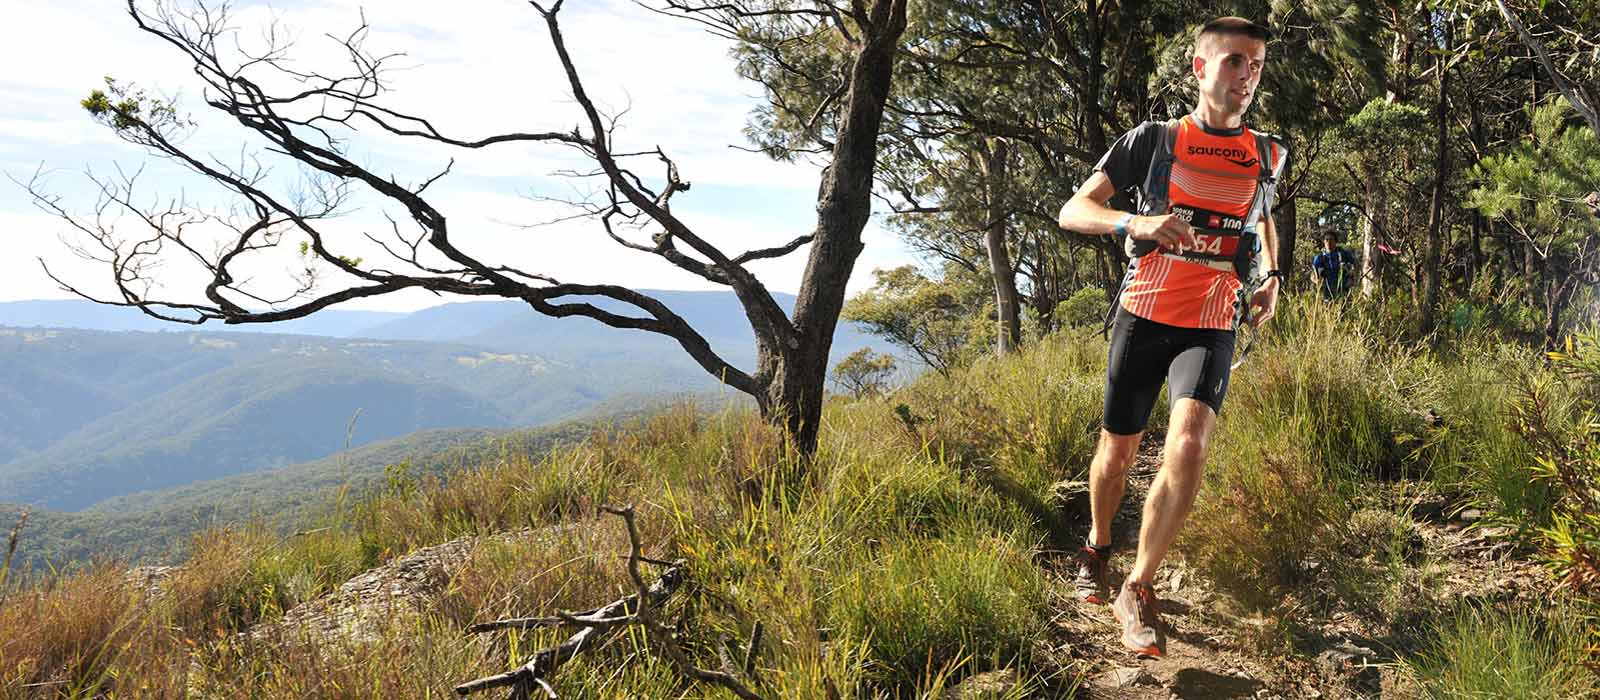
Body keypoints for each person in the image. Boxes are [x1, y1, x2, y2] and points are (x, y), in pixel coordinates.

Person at [1055, 16, 1286, 657]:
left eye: (1257, 64)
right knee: (1119, 453)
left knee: (1187, 445)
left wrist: (1272, 278)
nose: (1248, 76)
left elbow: (1260, 220)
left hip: (1213, 321)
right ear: (1201, 68)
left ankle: (1139, 586)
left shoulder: (1268, 154)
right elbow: (1076, 210)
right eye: (1236, 61)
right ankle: (1099, 546)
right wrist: (1138, 219)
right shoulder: (1153, 141)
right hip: (1145, 313)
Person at [1311, 232, 1357, 298]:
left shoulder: (1343, 253)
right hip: (1327, 290)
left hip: (1343, 288)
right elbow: (1314, 270)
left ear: (1335, 241)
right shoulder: (1320, 257)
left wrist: (1354, 278)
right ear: (1324, 242)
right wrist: (1317, 280)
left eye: (1331, 240)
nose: (1329, 242)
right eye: (1326, 240)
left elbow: (1355, 263)